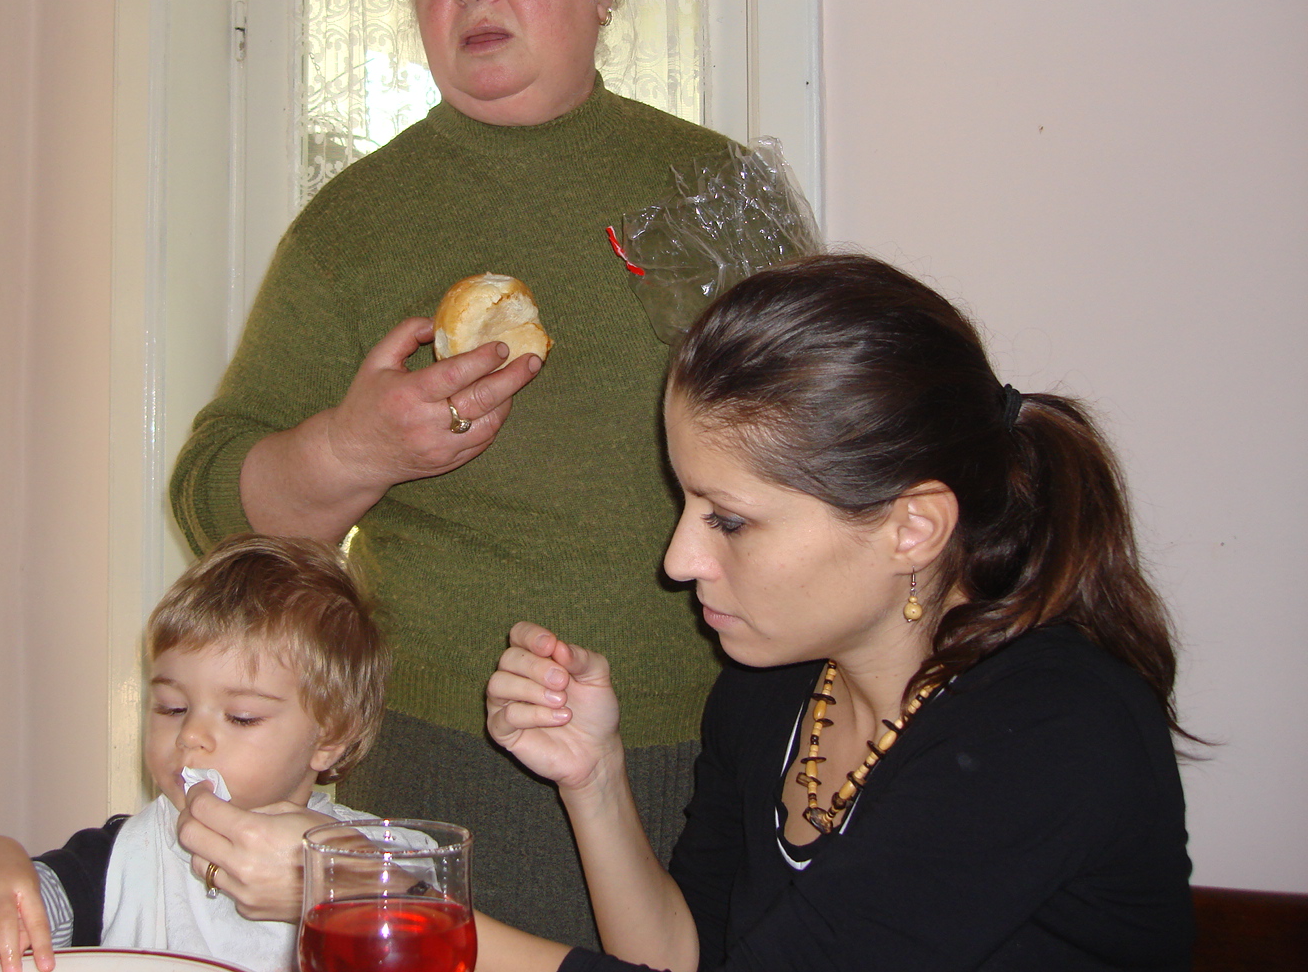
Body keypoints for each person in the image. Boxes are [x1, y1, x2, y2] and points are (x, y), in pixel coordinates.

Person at [170, 0, 733, 943]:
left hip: (724, 744)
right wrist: (354, 449)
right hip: (438, 773)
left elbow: (839, 465)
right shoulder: (351, 228)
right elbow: (211, 503)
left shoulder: (717, 194)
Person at [480, 253, 1194, 972]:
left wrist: (436, 932)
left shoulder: (1051, 729)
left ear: (911, 529)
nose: (678, 560)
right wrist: (595, 780)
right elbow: (687, 958)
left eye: (730, 520)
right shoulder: (768, 688)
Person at [0, 535, 389, 972]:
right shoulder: (118, 860)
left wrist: (354, 892)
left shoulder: (387, 863)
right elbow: (9, 937)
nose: (190, 735)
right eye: (172, 707)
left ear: (330, 738)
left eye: (240, 716)